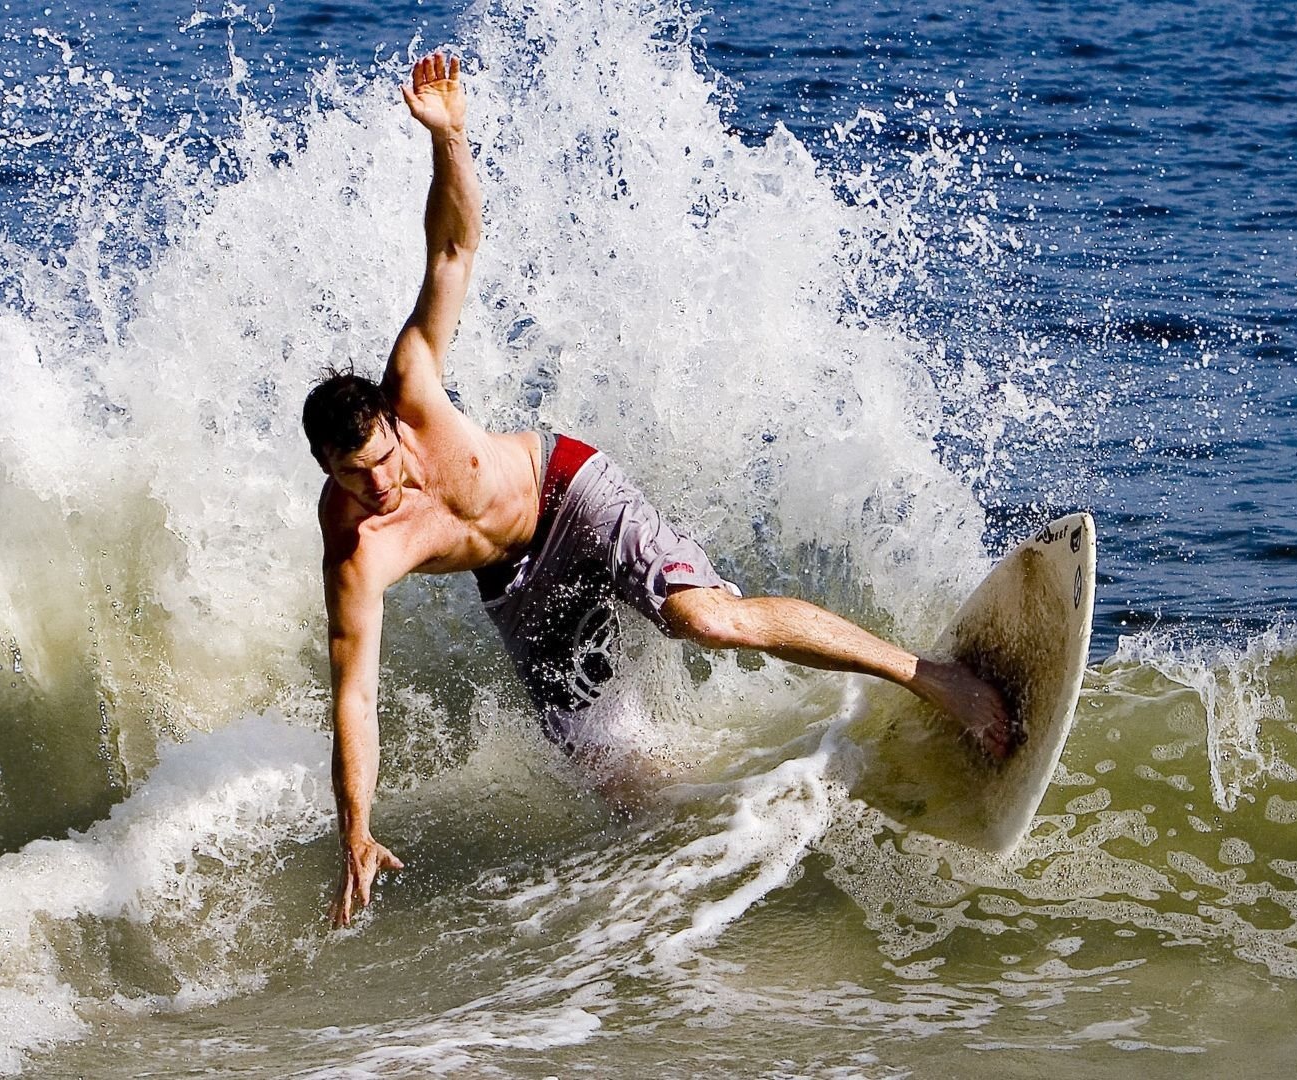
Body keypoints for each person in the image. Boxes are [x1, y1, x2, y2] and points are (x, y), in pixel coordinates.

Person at [305, 52, 1015, 928]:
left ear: (390, 424)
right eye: (355, 475)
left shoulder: (413, 384)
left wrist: (450, 139)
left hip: (570, 493)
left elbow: (452, 249)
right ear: (327, 471)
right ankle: (757, 845)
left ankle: (931, 677)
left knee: (705, 619)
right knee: (622, 786)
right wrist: (357, 828)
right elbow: (355, 697)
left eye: (384, 459)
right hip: (517, 588)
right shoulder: (357, 551)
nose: (381, 483)